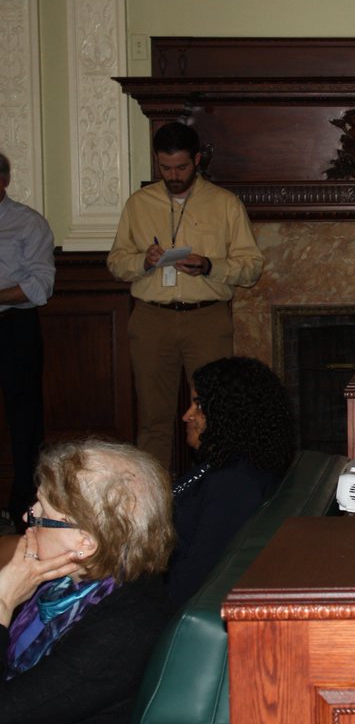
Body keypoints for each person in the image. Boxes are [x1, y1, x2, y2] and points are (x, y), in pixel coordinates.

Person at [107, 122, 264, 469]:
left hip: (206, 318)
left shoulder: (225, 204)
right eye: (165, 168)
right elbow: (116, 263)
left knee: (214, 418)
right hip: (151, 318)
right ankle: (153, 510)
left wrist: (209, 266)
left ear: (196, 160)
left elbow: (251, 267)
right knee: (153, 420)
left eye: (181, 167)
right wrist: (142, 262)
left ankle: (215, 499)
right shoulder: (139, 204)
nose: (174, 175)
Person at [0, 439, 174, 719]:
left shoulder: (117, 635)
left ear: (85, 542)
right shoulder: (76, 579)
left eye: (42, 513)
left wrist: (3, 602)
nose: (27, 515)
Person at [168, 356, 294, 607]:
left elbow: (194, 579)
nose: (186, 416)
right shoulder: (222, 464)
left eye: (198, 406)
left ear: (229, 411)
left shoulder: (234, 485)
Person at [0, 153, 55, 532]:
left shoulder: (28, 223)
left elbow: (39, 286)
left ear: (2, 181)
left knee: (24, 421)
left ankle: (24, 510)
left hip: (12, 327)